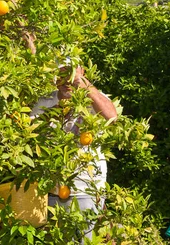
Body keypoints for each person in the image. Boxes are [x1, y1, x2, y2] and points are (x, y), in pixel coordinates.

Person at [31, 63, 117, 242]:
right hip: (51, 191)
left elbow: (112, 116)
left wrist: (82, 84)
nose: (67, 79)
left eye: (71, 73)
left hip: (86, 189)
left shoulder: (94, 98)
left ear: (81, 72)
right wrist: (58, 110)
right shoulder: (45, 101)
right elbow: (31, 133)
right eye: (62, 73)